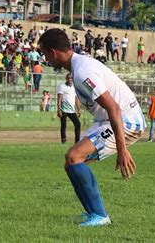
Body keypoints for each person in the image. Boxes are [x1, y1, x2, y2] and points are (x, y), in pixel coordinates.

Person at [38, 29, 145, 227]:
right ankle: (93, 214)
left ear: (53, 52)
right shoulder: (78, 66)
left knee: (74, 157)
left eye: (45, 54)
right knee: (71, 162)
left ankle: (100, 215)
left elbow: (113, 107)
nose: (46, 60)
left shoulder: (82, 72)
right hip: (112, 120)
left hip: (127, 121)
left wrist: (122, 149)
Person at [57, 73, 82, 144]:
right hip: (63, 109)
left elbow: (76, 99)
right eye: (69, 78)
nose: (70, 79)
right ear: (66, 79)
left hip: (71, 110)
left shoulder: (74, 88)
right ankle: (63, 139)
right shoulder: (62, 86)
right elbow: (59, 98)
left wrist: (79, 109)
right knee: (64, 124)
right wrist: (59, 109)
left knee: (78, 124)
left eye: (71, 78)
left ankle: (77, 141)